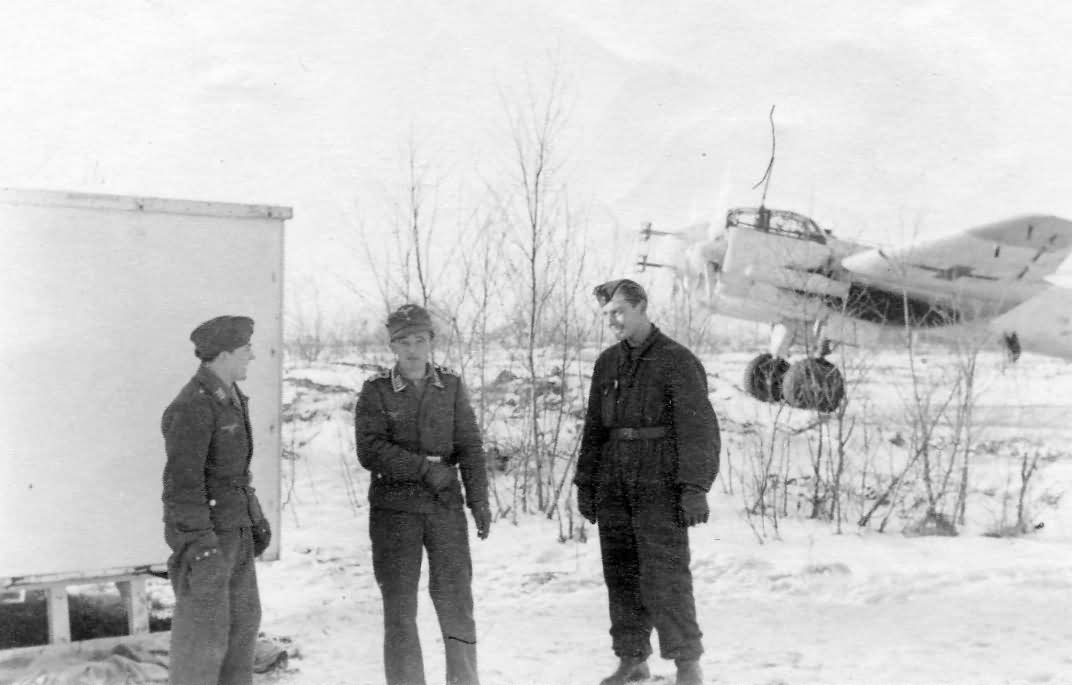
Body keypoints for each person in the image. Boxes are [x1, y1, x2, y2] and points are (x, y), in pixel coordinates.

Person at [574, 279, 720, 685]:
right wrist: (586, 483)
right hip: (614, 479)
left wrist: (694, 487)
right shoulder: (607, 363)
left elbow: (699, 429)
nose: (613, 322)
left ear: (641, 307)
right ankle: (632, 658)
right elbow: (594, 428)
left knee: (665, 575)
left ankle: (687, 663)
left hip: (659, 481)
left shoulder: (677, 360)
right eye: (607, 316)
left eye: (619, 312)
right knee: (620, 573)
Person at [355, 304, 492, 685]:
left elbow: (470, 445)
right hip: (394, 510)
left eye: (420, 340)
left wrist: (478, 500)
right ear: (392, 346)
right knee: (400, 608)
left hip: (444, 507)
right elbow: (369, 450)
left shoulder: (450, 386)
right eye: (403, 342)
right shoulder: (376, 390)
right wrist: (423, 469)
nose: (412, 349)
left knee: (456, 603)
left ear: (431, 342)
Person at [161, 315, 272, 685]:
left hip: (234, 533)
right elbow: (182, 487)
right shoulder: (193, 405)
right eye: (245, 350)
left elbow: (232, 474)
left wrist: (253, 518)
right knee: (201, 646)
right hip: (208, 541)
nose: (251, 357)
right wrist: (201, 548)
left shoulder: (230, 398)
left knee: (242, 631)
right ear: (223, 355)